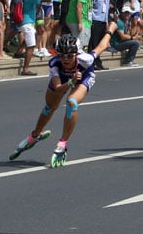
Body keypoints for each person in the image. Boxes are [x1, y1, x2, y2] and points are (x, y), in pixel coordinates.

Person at [10, 27, 119, 167]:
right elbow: (57, 88)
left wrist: (110, 29)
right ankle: (35, 135)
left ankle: (63, 143)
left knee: (72, 102)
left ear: (77, 54)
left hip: (83, 77)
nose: (65, 59)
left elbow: (102, 46)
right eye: (62, 55)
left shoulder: (85, 59)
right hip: (65, 79)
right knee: (49, 107)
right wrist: (70, 82)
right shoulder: (54, 63)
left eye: (69, 56)